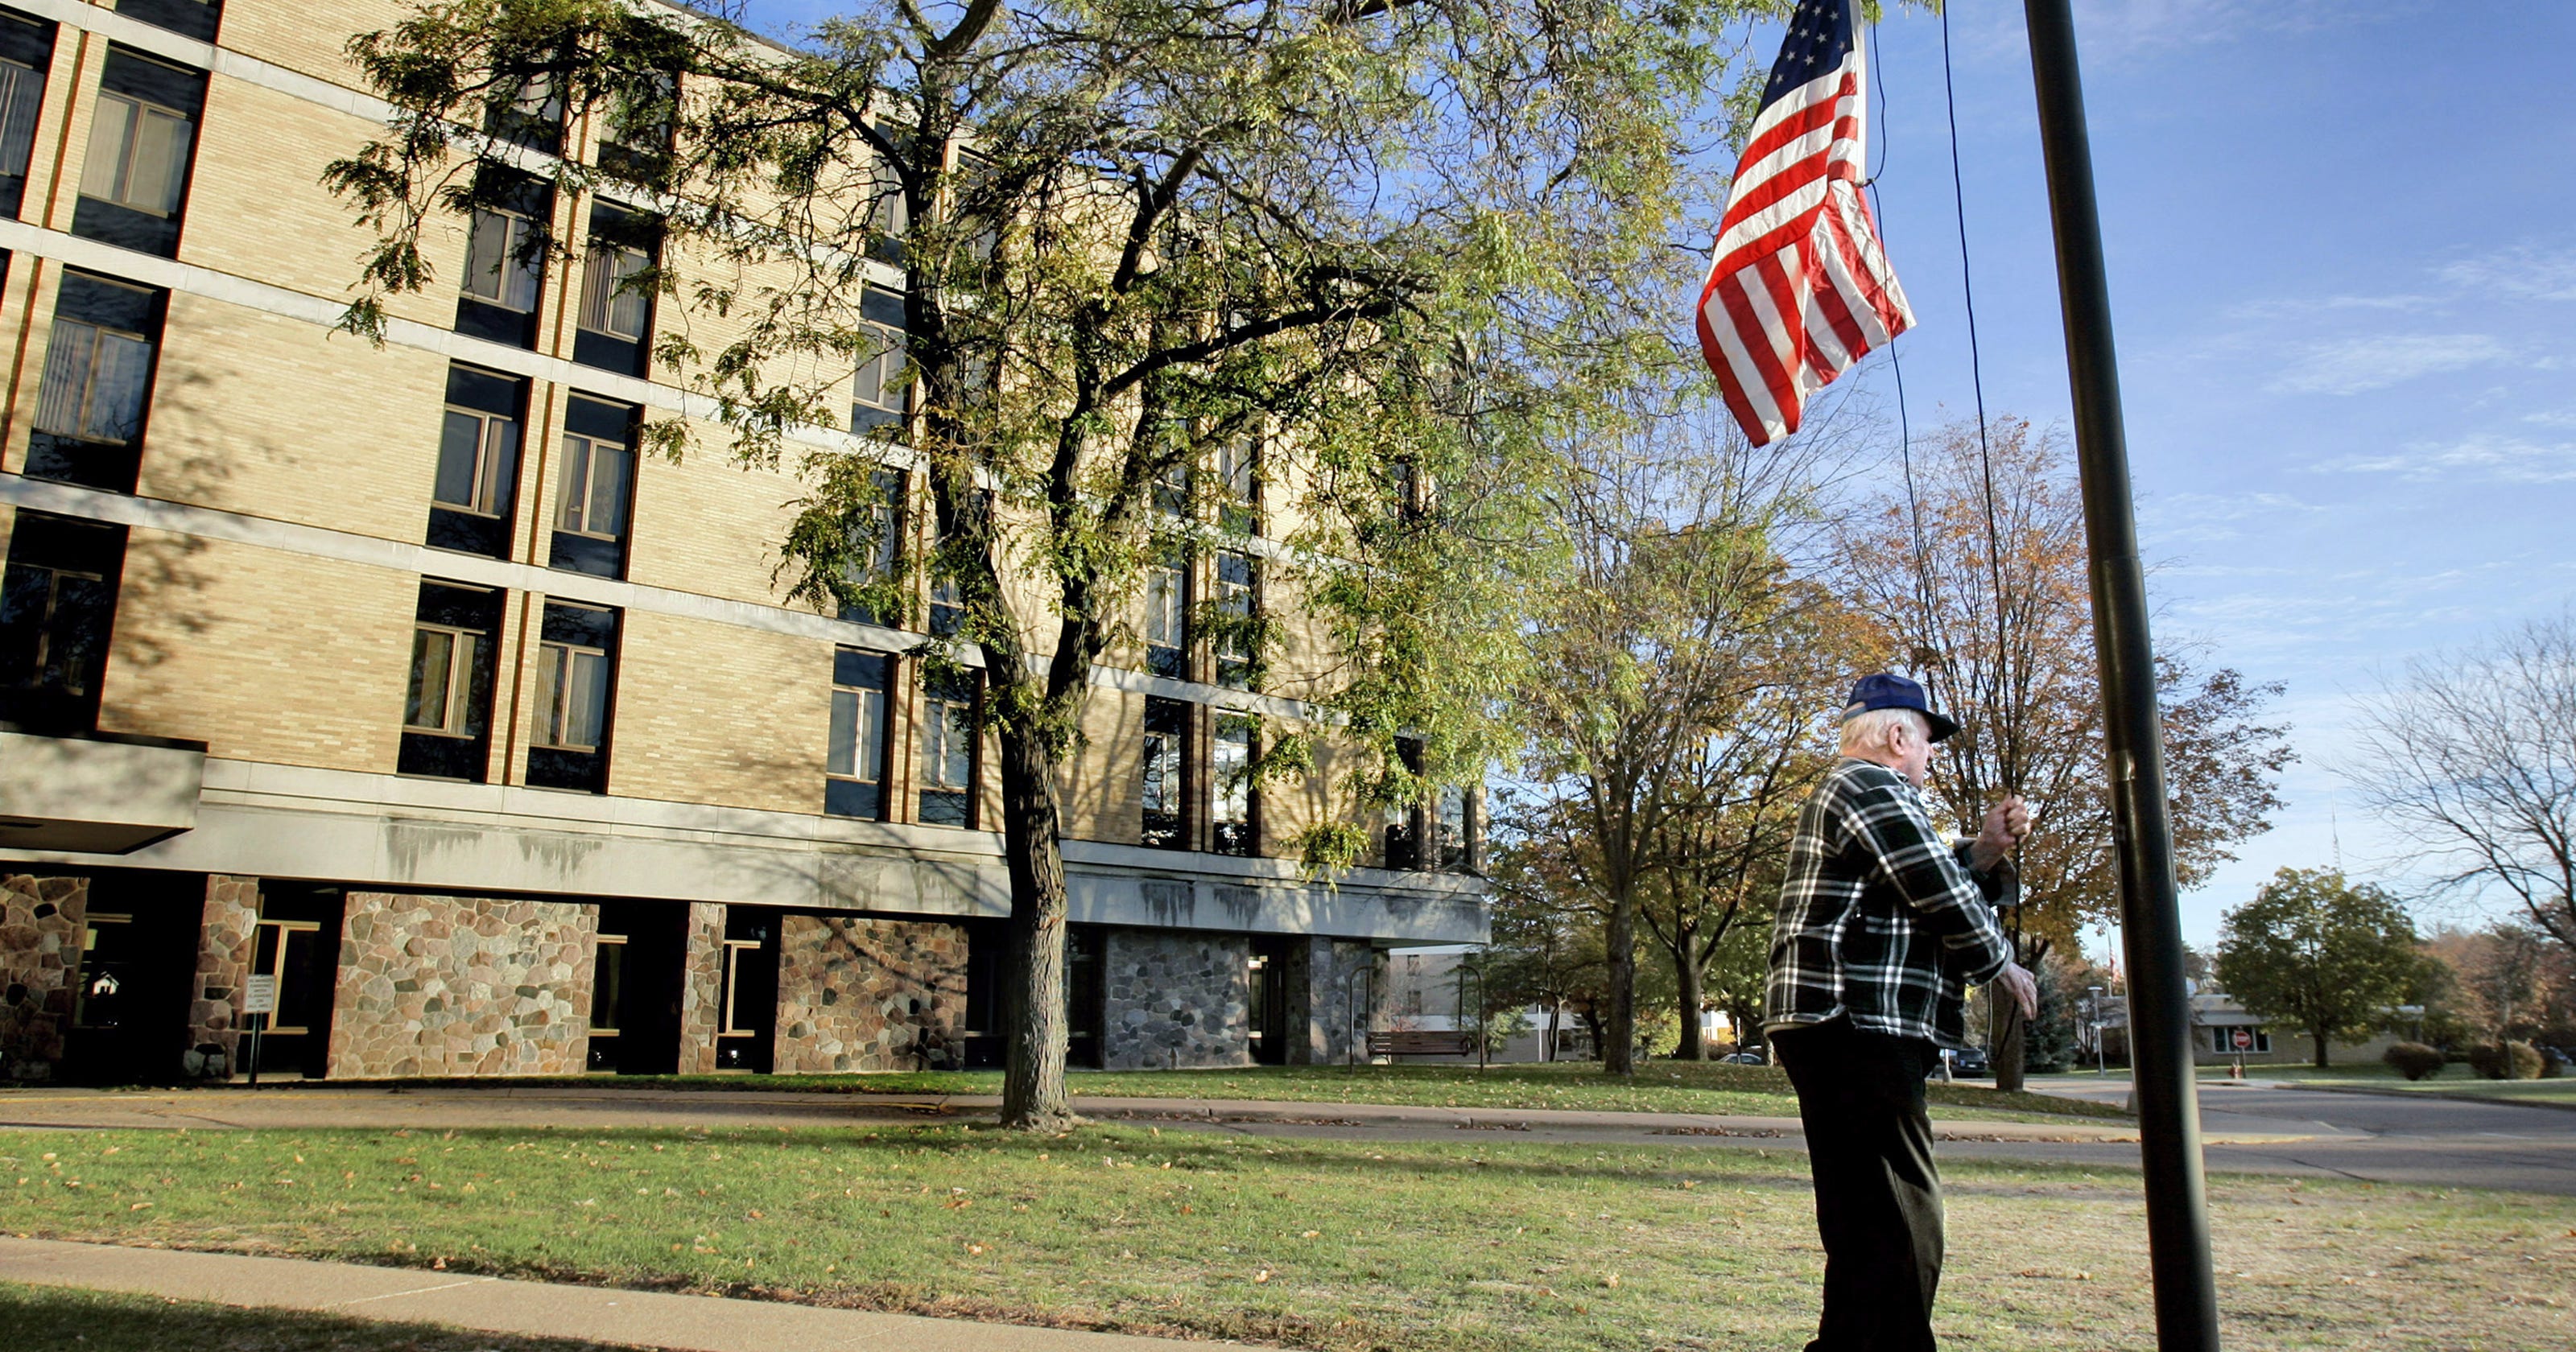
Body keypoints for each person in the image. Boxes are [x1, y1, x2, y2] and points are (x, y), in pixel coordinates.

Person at [1765, 672, 2039, 1352]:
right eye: (1928, 743)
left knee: (1866, 1216)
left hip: (1838, 1025)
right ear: (1896, 736)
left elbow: (1919, 878)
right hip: (1854, 1021)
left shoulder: (1863, 796)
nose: (1933, 758)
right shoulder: (1868, 785)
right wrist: (1999, 961)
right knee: (1901, 1212)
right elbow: (1933, 885)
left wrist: (1985, 851)